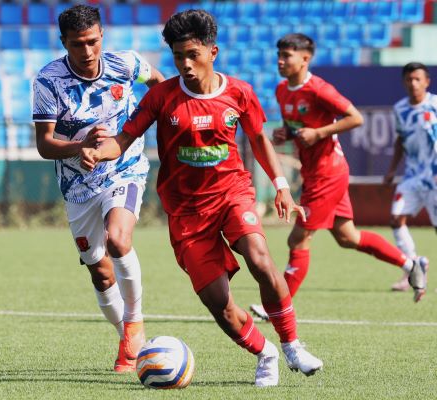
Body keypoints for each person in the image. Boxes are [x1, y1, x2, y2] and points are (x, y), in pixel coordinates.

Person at [81, 10, 323, 388]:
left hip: (232, 193)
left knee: (260, 258)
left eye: (193, 54)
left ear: (214, 51)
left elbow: (259, 139)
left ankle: (291, 344)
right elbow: (124, 139)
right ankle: (265, 352)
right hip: (186, 212)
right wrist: (99, 151)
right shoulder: (162, 97)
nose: (186, 65)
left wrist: (281, 185)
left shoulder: (239, 92)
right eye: (179, 57)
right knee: (219, 304)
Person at [249, 34, 428, 321]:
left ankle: (277, 308)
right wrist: (286, 133)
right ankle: (410, 264)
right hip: (315, 173)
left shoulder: (319, 89)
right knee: (348, 237)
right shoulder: (282, 90)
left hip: (328, 174)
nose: (280, 61)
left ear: (305, 59)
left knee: (298, 239)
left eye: (287, 56)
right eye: (279, 55)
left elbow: (355, 117)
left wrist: (319, 133)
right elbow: (295, 126)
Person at [32, 5, 164, 373]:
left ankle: (135, 323)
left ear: (102, 36)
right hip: (77, 186)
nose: (87, 52)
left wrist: (146, 126)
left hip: (126, 168)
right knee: (100, 271)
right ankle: (127, 335)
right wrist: (80, 147)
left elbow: (160, 86)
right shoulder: (48, 81)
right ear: (64, 43)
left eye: (92, 42)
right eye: (77, 45)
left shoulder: (127, 64)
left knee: (119, 239)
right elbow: (44, 144)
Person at [384, 62, 435, 292]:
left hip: (434, 176)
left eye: (417, 79)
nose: (413, 83)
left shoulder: (435, 105)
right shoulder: (400, 109)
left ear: (427, 82)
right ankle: (414, 267)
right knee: (396, 218)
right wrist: (392, 169)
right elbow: (400, 140)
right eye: (409, 79)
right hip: (413, 175)